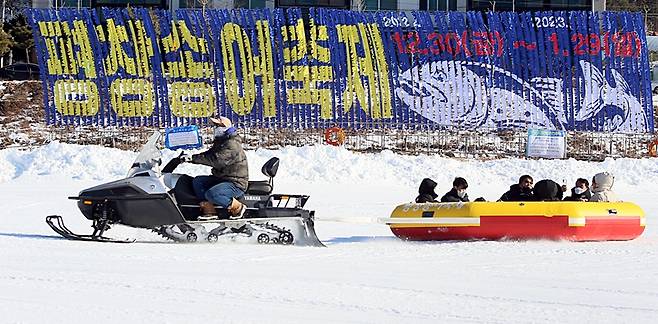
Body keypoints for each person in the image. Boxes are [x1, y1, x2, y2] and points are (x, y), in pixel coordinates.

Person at [181, 116, 249, 219]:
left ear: (225, 127)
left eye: (218, 126)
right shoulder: (221, 142)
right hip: (223, 178)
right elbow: (209, 154)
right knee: (198, 181)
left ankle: (238, 208)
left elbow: (216, 160)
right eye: (215, 126)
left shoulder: (232, 144)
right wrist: (191, 158)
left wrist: (193, 159)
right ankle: (209, 210)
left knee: (212, 194)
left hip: (235, 183)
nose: (215, 128)